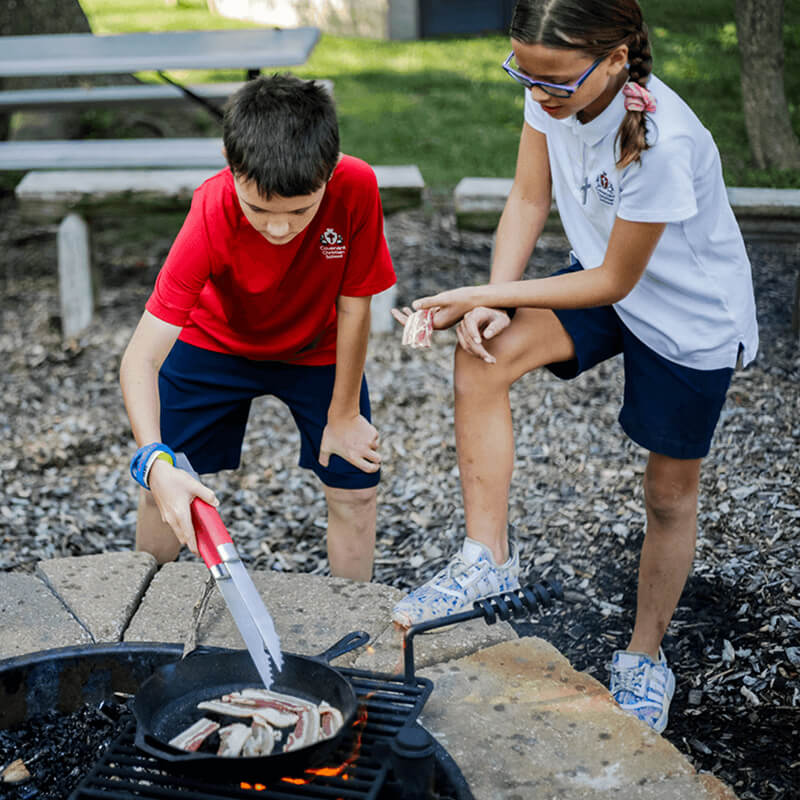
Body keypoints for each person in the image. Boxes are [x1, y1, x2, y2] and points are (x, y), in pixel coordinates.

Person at [391, 0, 758, 734]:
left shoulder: (660, 138)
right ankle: (486, 559)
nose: (538, 93)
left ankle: (645, 658)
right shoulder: (549, 93)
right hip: (600, 276)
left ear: (617, 58)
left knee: (667, 495)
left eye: (554, 81)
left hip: (686, 315)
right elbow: (528, 198)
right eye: (524, 75)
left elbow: (617, 283)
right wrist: (493, 301)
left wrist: (480, 292)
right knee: (482, 357)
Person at [120, 74, 395, 581]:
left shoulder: (357, 186)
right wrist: (153, 461)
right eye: (260, 210)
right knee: (166, 483)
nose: (278, 228)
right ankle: (144, 603)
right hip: (215, 343)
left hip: (316, 349)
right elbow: (141, 357)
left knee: (357, 488)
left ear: (330, 172)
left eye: (299, 211)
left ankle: (354, 626)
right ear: (232, 170)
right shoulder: (210, 208)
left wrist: (344, 413)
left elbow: (356, 306)